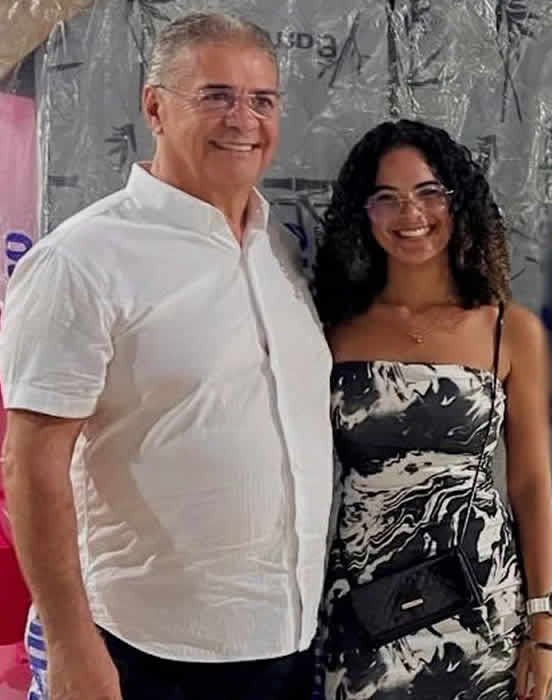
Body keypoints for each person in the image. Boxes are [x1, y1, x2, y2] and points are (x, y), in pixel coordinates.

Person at [0, 11, 334, 700]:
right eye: (216, 96)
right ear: (154, 107)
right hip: (147, 654)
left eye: (262, 100)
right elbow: (31, 465)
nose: (243, 120)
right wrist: (70, 647)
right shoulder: (82, 261)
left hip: (288, 641)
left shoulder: (278, 250)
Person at [311, 120, 552, 700]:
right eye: (387, 197)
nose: (411, 214)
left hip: (483, 610)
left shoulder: (511, 331)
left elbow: (531, 485)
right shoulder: (334, 334)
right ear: (363, 214)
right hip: (364, 614)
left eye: (429, 192)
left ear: (458, 203)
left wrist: (544, 627)